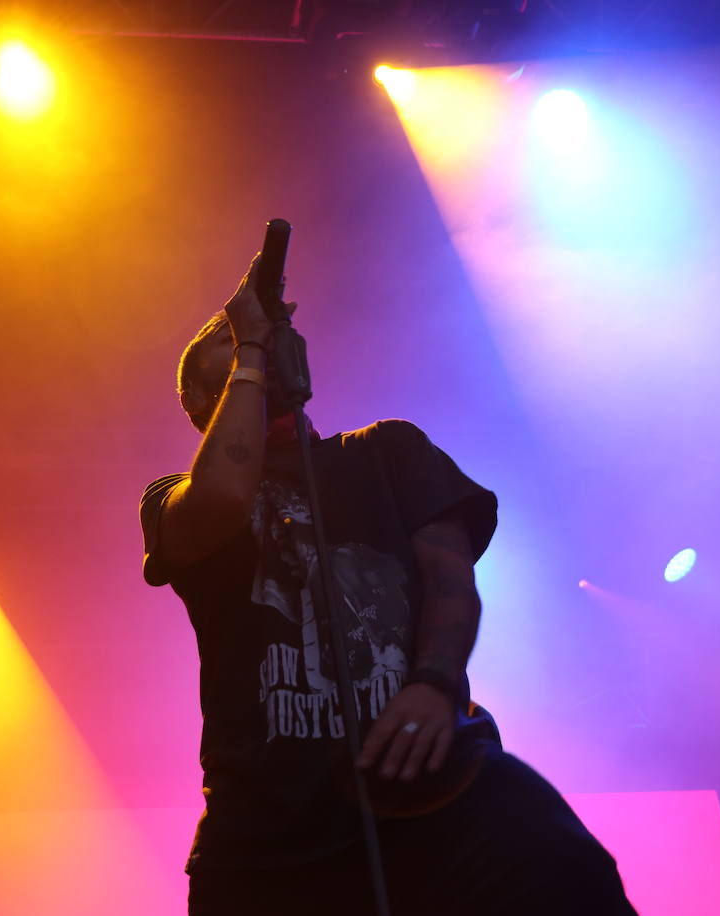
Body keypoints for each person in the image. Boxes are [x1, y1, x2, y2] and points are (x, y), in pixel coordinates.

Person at [139, 254, 638, 915]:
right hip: (269, 821)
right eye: (233, 369)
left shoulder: (387, 452)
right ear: (208, 404)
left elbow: (449, 580)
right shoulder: (173, 500)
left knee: (560, 863)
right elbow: (226, 495)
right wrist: (250, 344)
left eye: (269, 354)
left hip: (431, 773)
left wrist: (434, 684)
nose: (267, 369)